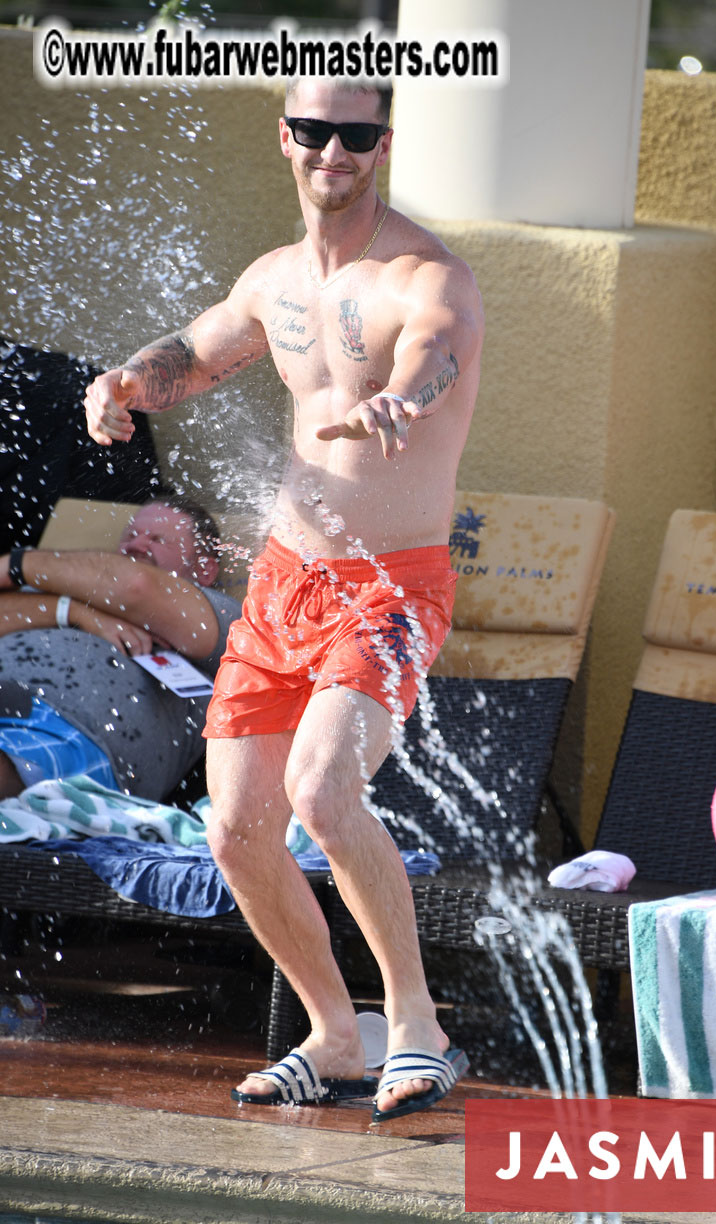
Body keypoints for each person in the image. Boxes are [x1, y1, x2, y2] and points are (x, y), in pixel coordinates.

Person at [83, 78, 484, 1122]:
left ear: (383, 144)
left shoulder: (426, 275)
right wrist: (127, 382)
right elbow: (196, 353)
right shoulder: (274, 281)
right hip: (281, 589)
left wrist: (404, 398)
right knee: (237, 832)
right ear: (287, 138)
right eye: (314, 132)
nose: (332, 152)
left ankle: (417, 1029)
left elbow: (433, 349)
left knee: (321, 793)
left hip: (388, 589)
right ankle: (333, 1035)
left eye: (355, 134)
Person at [0, 496, 241, 802]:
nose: (136, 545)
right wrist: (70, 611)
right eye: (130, 535)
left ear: (204, 569)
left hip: (67, 732)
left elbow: (137, 587)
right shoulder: (57, 593)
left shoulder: (222, 617)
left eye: (157, 539)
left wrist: (16, 564)